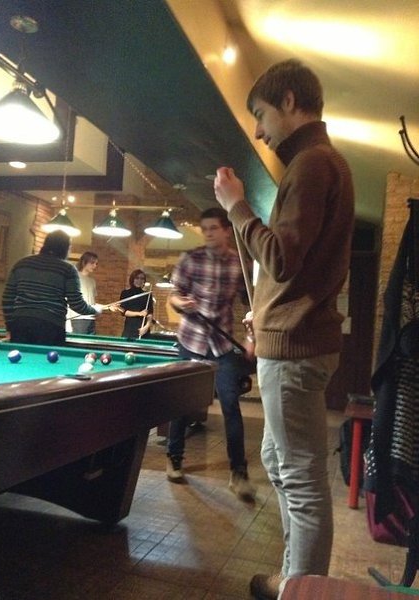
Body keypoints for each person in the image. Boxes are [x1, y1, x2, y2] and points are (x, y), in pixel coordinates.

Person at [213, 59, 354, 599]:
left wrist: (237, 207)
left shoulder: (313, 163)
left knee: (302, 482)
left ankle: (302, 590)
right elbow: (297, 267)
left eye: (260, 114)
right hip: (292, 339)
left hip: (294, 352)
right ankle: (295, 576)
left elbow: (281, 258)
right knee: (279, 462)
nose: (258, 130)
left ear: (289, 101)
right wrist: (267, 310)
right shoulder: (318, 163)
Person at [165, 206, 256, 502]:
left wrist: (252, 337)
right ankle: (174, 459)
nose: (207, 234)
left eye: (213, 228)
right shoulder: (190, 259)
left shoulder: (240, 264)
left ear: (227, 230)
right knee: (181, 403)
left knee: (231, 406)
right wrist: (182, 304)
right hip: (190, 341)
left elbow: (252, 306)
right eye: (204, 229)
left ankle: (238, 474)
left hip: (222, 345)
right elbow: (174, 296)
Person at [2, 231, 103, 346]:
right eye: (69, 247)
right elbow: (76, 304)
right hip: (51, 326)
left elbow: (7, 299)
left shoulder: (21, 264)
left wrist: (10, 326)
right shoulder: (67, 269)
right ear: (65, 248)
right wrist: (95, 310)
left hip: (21, 324)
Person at [67, 251, 99, 335]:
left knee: (91, 342)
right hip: (78, 318)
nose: (95, 266)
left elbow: (92, 303)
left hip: (91, 318)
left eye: (96, 263)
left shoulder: (92, 281)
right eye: (92, 263)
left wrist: (108, 307)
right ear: (84, 262)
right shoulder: (74, 278)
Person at [119, 269, 153, 338]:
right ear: (132, 279)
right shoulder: (125, 293)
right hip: (130, 328)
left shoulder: (147, 295)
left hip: (143, 329)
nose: (139, 280)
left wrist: (146, 327)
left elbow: (150, 313)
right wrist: (139, 313)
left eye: (142, 278)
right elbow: (123, 312)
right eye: (137, 278)